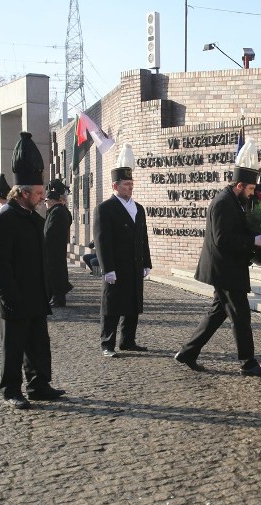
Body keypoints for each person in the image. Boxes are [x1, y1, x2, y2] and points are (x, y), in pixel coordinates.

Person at [175, 140, 261, 377]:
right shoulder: (222, 203)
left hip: (230, 267)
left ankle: (188, 352)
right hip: (224, 269)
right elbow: (222, 239)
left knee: (218, 312)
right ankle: (248, 362)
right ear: (239, 185)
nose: (252, 194)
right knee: (241, 315)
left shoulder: (235, 200)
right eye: (250, 189)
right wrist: (253, 241)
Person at [0, 131, 65, 409]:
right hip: (14, 295)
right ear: (23, 192)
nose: (43, 198)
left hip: (35, 294)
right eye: (39, 193)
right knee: (13, 347)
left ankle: (39, 384)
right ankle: (11, 389)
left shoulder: (33, 217)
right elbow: (0, 264)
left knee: (38, 344)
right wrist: (8, 295)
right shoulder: (4, 220)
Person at [93, 144, 152, 358]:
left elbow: (143, 238)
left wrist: (147, 262)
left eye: (132, 183)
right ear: (115, 186)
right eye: (126, 184)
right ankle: (107, 343)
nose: (130, 187)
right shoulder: (105, 209)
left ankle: (128, 340)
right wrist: (107, 267)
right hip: (116, 265)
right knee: (112, 306)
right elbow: (102, 240)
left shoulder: (139, 208)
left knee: (133, 304)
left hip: (134, 264)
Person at [43, 179, 73, 307]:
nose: (45, 203)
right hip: (56, 249)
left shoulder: (57, 212)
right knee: (55, 273)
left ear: (52, 200)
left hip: (54, 249)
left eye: (46, 201)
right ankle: (54, 297)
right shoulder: (59, 210)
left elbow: (50, 233)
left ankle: (58, 298)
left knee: (55, 274)